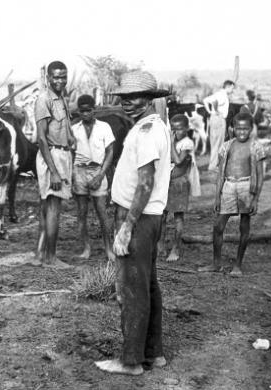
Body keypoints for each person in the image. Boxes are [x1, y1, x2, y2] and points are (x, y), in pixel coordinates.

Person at [94, 71, 171, 376]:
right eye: (124, 98)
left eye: (135, 98)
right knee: (147, 285)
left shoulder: (148, 130)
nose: (128, 104)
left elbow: (146, 182)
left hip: (139, 218)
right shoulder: (150, 126)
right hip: (148, 217)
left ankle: (131, 361)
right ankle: (154, 354)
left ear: (149, 98)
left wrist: (127, 225)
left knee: (132, 290)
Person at [198, 113, 265, 276]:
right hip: (228, 186)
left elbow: (260, 175)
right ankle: (216, 263)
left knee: (244, 226)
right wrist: (217, 197)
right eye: (238, 128)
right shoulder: (226, 146)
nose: (242, 132)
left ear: (251, 129)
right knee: (218, 226)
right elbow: (220, 173)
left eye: (245, 128)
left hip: (246, 187)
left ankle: (238, 265)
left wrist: (255, 198)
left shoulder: (256, 146)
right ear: (232, 128)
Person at [33, 61, 76, 268]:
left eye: (63, 77)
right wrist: (55, 172)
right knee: (52, 207)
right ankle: (50, 258)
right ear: (48, 78)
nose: (60, 81)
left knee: (49, 206)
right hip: (52, 157)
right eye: (56, 77)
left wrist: (71, 137)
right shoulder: (44, 100)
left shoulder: (61, 99)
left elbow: (61, 128)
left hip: (62, 155)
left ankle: (41, 254)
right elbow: (41, 138)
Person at [71, 94, 115, 261]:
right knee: (81, 213)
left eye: (89, 110)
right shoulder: (74, 129)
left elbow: (110, 151)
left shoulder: (104, 127)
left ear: (94, 110)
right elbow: (70, 152)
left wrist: (102, 174)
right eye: (82, 111)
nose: (85, 114)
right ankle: (86, 248)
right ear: (79, 112)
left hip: (98, 170)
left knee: (102, 212)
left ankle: (109, 249)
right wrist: (72, 175)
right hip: (79, 171)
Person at [158, 114, 200, 262]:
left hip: (179, 184)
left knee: (177, 217)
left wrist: (170, 141)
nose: (176, 132)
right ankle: (161, 245)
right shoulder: (171, 141)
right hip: (166, 183)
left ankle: (176, 248)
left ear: (187, 129)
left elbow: (178, 160)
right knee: (161, 215)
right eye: (173, 129)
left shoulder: (187, 143)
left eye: (180, 129)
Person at [203, 80, 235, 170]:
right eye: (232, 88)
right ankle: (213, 166)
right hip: (219, 119)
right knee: (219, 143)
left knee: (215, 143)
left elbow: (205, 100)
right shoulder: (223, 95)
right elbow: (215, 102)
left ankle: (214, 164)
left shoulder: (218, 93)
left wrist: (210, 112)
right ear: (228, 87)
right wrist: (216, 111)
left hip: (214, 118)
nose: (232, 90)